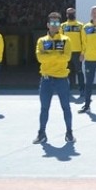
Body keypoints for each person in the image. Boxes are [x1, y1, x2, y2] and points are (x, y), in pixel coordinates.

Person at [33, 12, 75, 145]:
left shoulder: (66, 40)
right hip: (46, 79)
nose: (54, 25)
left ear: (60, 25)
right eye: (52, 23)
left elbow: (67, 57)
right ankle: (41, 133)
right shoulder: (42, 41)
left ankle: (69, 133)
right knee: (44, 108)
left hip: (62, 78)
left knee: (66, 107)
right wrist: (57, 55)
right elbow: (40, 58)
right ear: (47, 24)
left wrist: (49, 55)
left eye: (57, 23)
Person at [60, 7, 85, 100]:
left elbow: (84, 40)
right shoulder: (63, 26)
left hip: (77, 52)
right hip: (66, 53)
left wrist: (83, 53)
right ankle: (68, 90)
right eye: (69, 13)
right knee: (67, 72)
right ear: (66, 14)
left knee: (79, 72)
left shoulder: (80, 25)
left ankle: (82, 90)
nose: (70, 14)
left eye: (72, 13)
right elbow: (60, 40)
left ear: (75, 14)